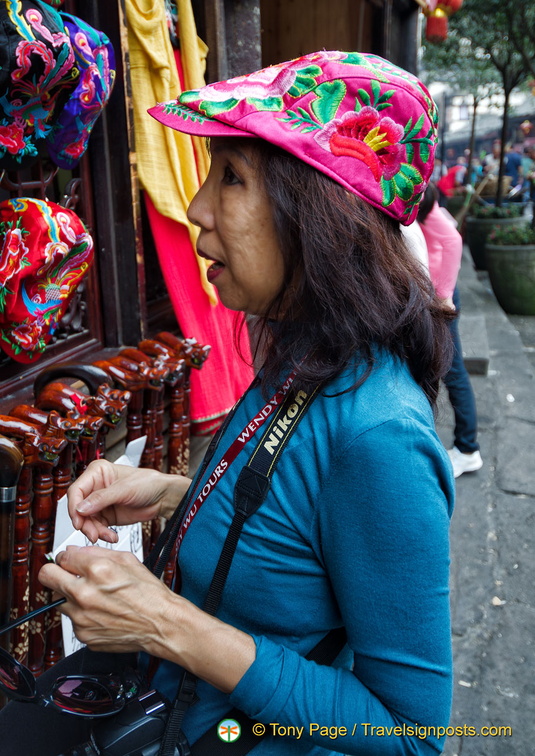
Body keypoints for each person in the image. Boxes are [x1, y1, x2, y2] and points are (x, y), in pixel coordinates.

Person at [0, 51, 455, 756]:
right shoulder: (302, 354)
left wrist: (164, 624)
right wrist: (174, 494)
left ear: (320, 214)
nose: (197, 207)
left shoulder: (379, 434)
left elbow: (410, 732)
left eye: (233, 177)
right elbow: (299, 532)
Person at [418, 184, 483, 478]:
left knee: (452, 372)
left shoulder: (420, 196)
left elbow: (453, 240)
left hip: (439, 299)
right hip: (430, 296)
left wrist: (442, 295)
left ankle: (468, 449)